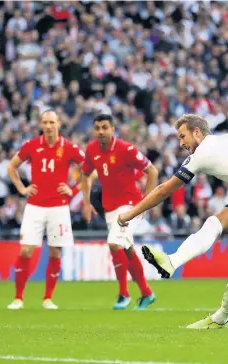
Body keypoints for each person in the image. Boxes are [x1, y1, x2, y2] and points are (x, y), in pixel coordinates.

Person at [117, 114, 228, 328]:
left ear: (197, 132)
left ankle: (221, 318)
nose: (181, 143)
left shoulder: (202, 154)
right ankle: (172, 261)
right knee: (214, 223)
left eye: (183, 136)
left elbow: (163, 191)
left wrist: (130, 214)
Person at [6, 110, 85, 310]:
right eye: (45, 122)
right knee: (25, 250)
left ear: (58, 124)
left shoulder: (68, 147)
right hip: (35, 205)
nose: (48, 126)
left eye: (51, 122)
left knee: (55, 253)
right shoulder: (31, 145)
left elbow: (89, 169)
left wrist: (73, 189)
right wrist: (22, 188)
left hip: (58, 207)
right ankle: (18, 298)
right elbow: (11, 167)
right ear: (41, 124)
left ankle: (48, 298)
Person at [81, 114, 159, 310]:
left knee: (114, 244)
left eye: (105, 127)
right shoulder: (91, 150)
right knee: (126, 248)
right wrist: (86, 203)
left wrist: (145, 203)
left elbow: (152, 171)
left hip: (130, 205)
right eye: (97, 128)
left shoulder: (126, 149)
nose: (100, 131)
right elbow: (85, 175)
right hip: (110, 207)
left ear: (112, 129)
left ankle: (123, 294)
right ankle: (147, 293)